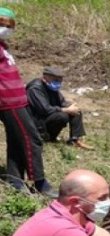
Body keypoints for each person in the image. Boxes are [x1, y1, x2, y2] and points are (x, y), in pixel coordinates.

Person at [0, 8, 56, 196]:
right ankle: (39, 182)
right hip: (8, 101)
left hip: (17, 99)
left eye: (9, 25)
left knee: (16, 140)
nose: (6, 29)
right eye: (2, 24)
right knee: (32, 139)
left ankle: (15, 179)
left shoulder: (3, 47)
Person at [26, 66, 93, 149]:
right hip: (37, 121)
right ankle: (44, 137)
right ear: (45, 78)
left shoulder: (51, 88)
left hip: (48, 116)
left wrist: (70, 107)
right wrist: (65, 110)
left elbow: (62, 102)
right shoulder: (35, 88)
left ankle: (75, 140)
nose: (58, 82)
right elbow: (44, 109)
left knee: (75, 111)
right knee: (62, 116)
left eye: (59, 80)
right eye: (55, 80)